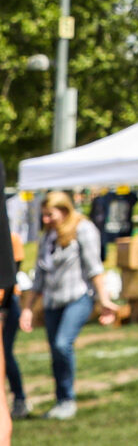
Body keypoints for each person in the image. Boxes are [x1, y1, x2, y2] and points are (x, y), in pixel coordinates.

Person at [22, 191, 118, 420]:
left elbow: (95, 267)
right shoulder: (48, 237)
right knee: (55, 351)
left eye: (50, 215)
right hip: (53, 301)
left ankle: (67, 399)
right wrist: (27, 308)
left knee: (62, 343)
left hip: (78, 297)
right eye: (43, 215)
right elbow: (39, 277)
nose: (45, 220)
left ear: (64, 211)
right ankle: (60, 400)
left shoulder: (82, 229)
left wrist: (103, 300)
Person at [1, 166, 27, 421]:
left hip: (8, 303)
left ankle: (19, 398)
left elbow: (9, 278)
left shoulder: (11, 239)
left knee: (6, 354)